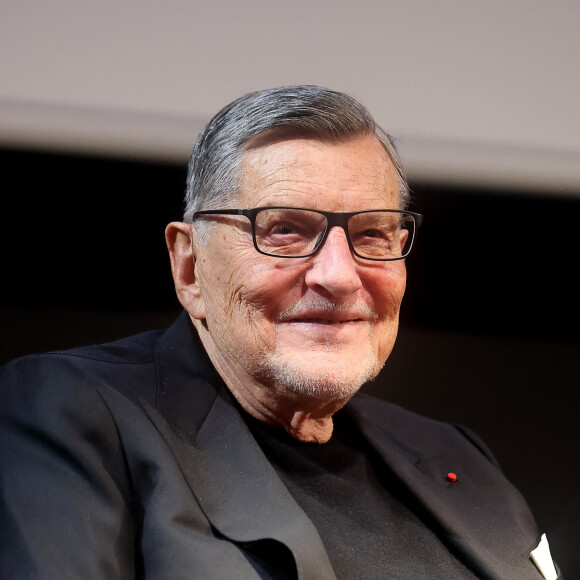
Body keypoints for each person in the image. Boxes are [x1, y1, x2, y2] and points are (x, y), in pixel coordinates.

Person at [0, 86, 559, 579]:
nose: (339, 276)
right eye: (286, 230)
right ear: (190, 266)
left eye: (372, 233)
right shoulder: (68, 413)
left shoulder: (456, 455)